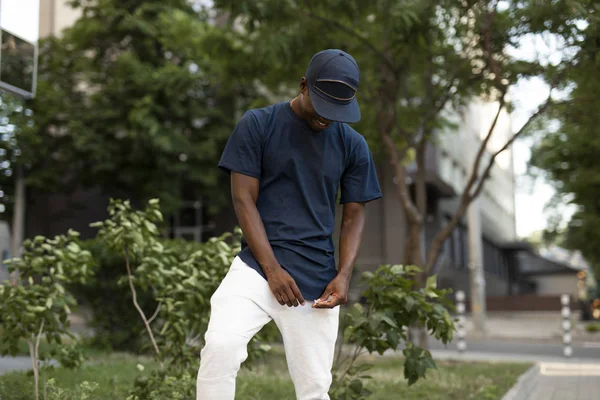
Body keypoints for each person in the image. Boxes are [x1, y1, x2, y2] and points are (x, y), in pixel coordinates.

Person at [196, 49, 382, 400]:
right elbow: (243, 199)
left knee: (314, 387)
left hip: (316, 283)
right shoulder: (258, 124)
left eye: (338, 111)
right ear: (303, 86)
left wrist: (343, 276)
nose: (329, 119)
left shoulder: (353, 145)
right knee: (220, 347)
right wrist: (273, 270)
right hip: (255, 268)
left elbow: (355, 214)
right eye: (324, 106)